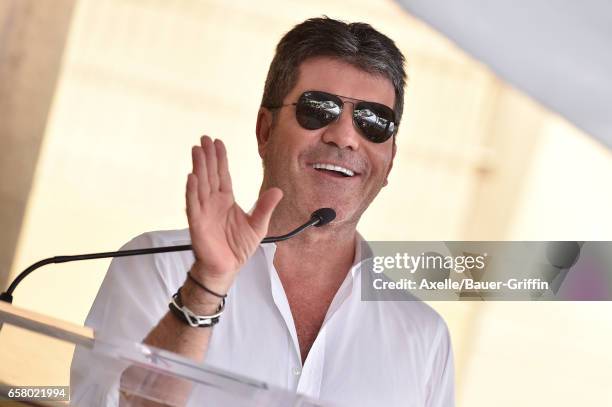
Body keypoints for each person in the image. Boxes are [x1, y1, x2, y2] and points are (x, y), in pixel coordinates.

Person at [71, 17, 454, 407]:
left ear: (389, 162)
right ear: (265, 131)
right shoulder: (159, 267)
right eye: (319, 109)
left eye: (374, 121)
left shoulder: (424, 338)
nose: (344, 136)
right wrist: (205, 287)